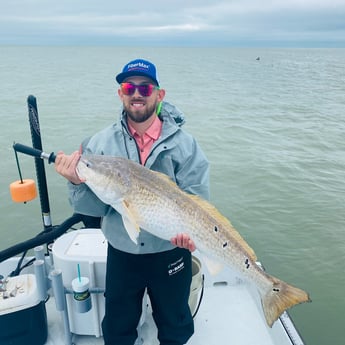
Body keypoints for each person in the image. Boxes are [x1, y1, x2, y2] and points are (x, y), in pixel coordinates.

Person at [55, 58, 209, 345]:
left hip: (170, 250)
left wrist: (192, 237)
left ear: (159, 94)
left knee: (176, 324)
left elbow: (198, 201)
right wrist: (75, 181)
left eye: (145, 87)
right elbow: (92, 209)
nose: (136, 93)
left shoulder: (185, 145)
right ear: (120, 94)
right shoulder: (98, 143)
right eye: (129, 87)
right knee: (118, 327)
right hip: (122, 251)